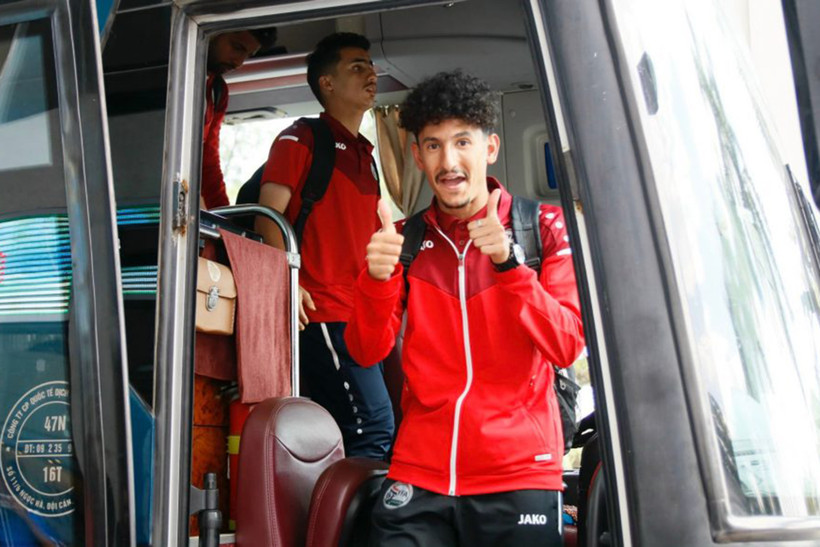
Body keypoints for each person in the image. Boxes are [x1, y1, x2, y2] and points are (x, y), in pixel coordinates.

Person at [344, 70, 585, 546]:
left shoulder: (545, 226)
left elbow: (566, 345)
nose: (448, 161)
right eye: (433, 146)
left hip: (518, 471)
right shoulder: (401, 240)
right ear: (417, 156)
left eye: (462, 142)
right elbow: (366, 351)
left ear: (489, 148)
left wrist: (509, 264)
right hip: (419, 471)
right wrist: (375, 281)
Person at [256, 33, 394, 460]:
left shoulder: (366, 154)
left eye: (371, 65)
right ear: (327, 83)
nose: (371, 74)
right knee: (373, 427)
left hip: (362, 315)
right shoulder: (299, 139)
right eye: (357, 66)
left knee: (367, 429)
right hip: (323, 312)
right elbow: (267, 218)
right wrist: (288, 280)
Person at [201, 28, 277, 209]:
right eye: (237, 47)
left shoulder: (217, 90)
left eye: (248, 55)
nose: (239, 62)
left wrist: (222, 215)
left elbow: (208, 162)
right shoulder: (171, 75)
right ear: (213, 32)